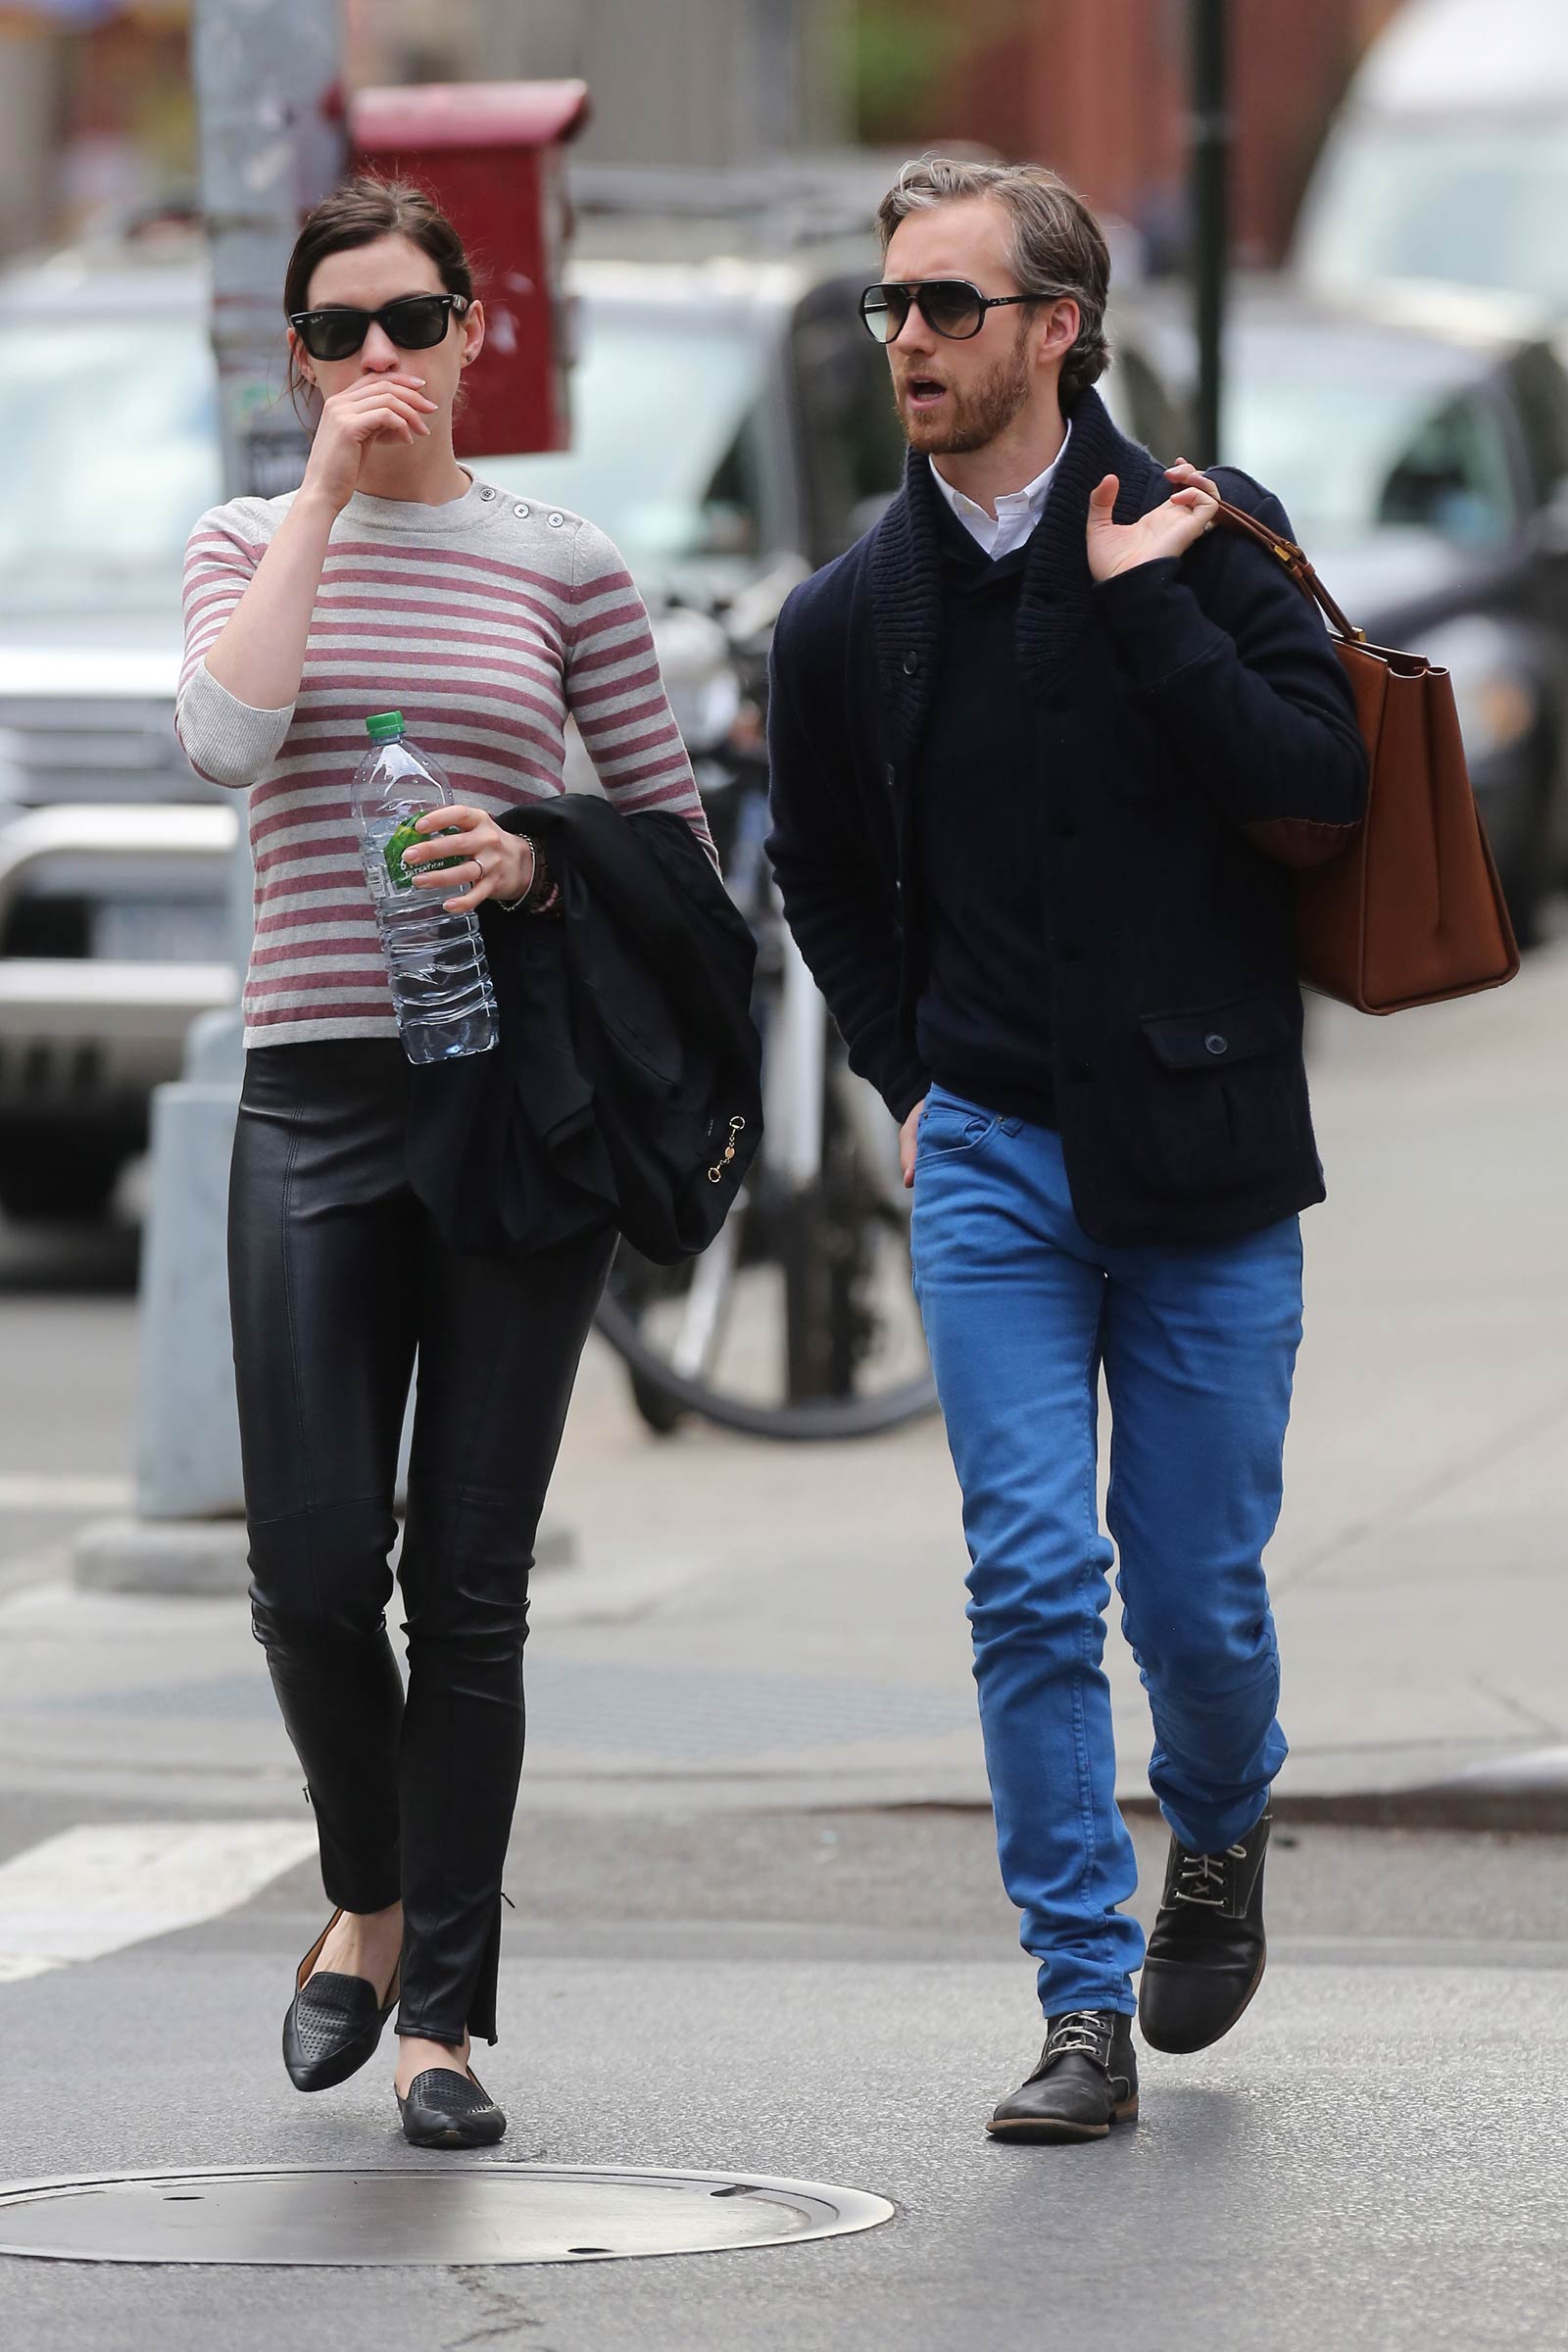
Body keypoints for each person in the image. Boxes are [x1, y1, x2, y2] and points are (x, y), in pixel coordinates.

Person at [765, 157, 1366, 2143]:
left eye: (945, 306)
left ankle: (1218, 1819)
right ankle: (1077, 1999)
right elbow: (829, 888)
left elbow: (1316, 788)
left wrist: (1150, 620)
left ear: (1056, 327)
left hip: (1202, 1159)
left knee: (1193, 1598)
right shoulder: (849, 616)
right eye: (889, 310)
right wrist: (902, 1083)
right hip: (998, 1162)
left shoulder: (1203, 539)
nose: (907, 342)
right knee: (1029, 1576)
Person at [175, 175, 713, 2150]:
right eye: (336, 334)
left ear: (474, 330)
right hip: (313, 1096)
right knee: (314, 1571)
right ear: (297, 357)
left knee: (466, 1586)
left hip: (509, 1108)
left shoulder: (561, 565)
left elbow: (671, 855)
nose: (376, 363)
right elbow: (230, 748)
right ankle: (370, 1890)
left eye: (407, 325)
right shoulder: (246, 540)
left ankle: (445, 2028)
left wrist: (535, 852)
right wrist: (322, 494)